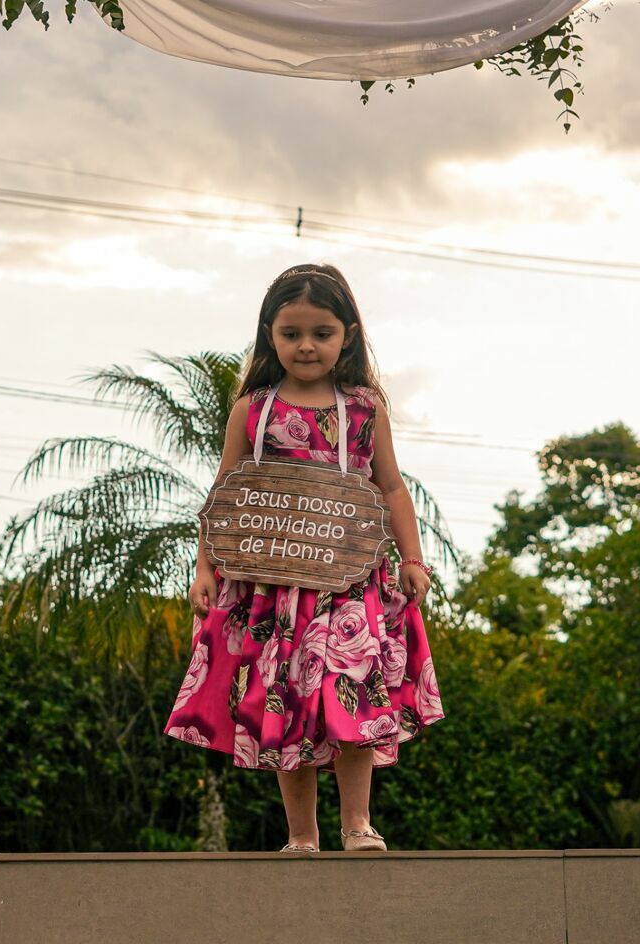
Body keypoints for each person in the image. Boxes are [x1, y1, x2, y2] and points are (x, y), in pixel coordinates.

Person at [165, 263, 443, 853]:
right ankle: (301, 836)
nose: (307, 345)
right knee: (285, 702)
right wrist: (205, 568)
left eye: (322, 332)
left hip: (351, 585)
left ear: (348, 335)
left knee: (354, 695)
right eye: (291, 333)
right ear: (269, 334)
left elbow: (392, 488)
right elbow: (226, 496)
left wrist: (413, 559)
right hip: (276, 590)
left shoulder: (365, 409)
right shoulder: (253, 410)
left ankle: (357, 824)